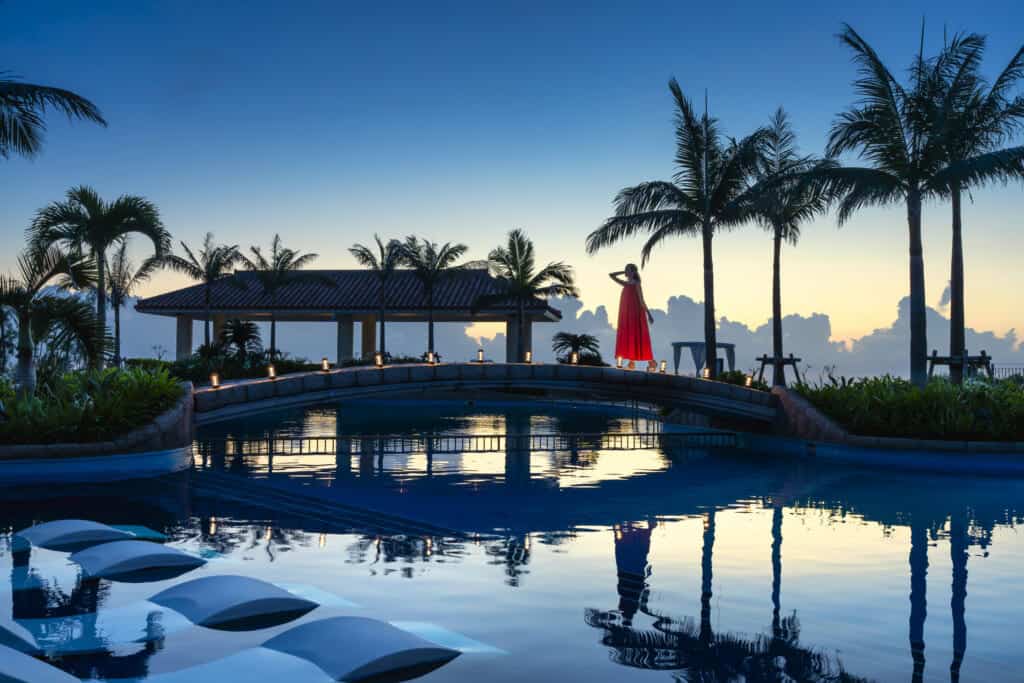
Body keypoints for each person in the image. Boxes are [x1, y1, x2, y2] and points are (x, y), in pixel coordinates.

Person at [610, 264, 655, 370]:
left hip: (635, 313)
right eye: (627, 270)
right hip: (625, 315)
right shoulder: (625, 284)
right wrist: (623, 271)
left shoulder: (637, 284)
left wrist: (649, 314)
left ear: (634, 272)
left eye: (629, 270)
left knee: (638, 336)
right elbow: (611, 275)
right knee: (628, 336)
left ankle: (651, 362)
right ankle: (631, 362)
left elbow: (641, 299)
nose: (627, 272)